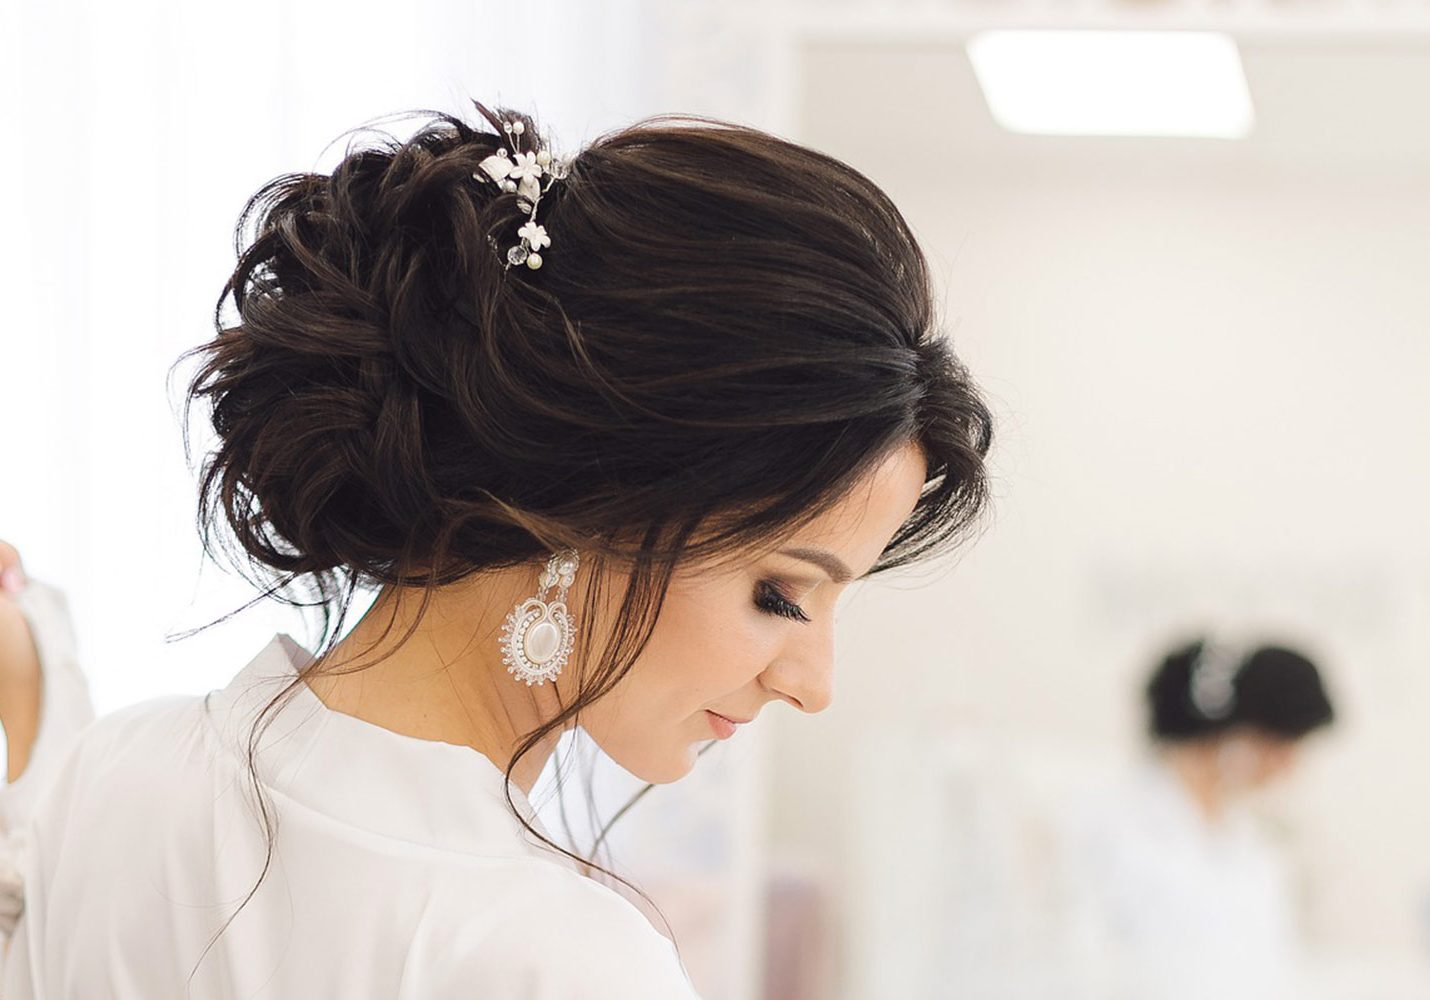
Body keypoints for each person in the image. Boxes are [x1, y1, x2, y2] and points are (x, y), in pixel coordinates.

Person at [0, 99, 993, 997]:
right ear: (590, 494)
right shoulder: (556, 959)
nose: (813, 683)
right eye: (779, 592)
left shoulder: (112, 775)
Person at [1065, 637, 1336, 1000]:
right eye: (1281, 745)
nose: (1288, 768)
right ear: (1228, 733)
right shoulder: (1110, 831)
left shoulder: (1253, 845)